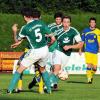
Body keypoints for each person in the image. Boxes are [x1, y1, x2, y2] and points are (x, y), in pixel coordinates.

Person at [7, 8, 55, 94]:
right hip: (45, 50)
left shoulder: (25, 27)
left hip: (35, 51)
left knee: (19, 70)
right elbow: (53, 38)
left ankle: (9, 90)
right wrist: (48, 45)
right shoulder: (41, 23)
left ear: (25, 17)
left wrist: (14, 31)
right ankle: (49, 90)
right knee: (43, 69)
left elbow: (17, 40)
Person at [50, 16, 83, 86]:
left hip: (67, 55)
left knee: (57, 71)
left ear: (70, 23)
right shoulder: (58, 31)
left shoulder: (74, 31)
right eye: (64, 22)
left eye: (68, 22)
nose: (66, 24)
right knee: (56, 69)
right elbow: (52, 38)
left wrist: (70, 46)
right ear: (62, 23)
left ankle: (53, 82)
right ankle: (48, 85)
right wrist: (48, 44)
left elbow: (80, 44)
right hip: (58, 51)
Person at [79, 17, 100, 84]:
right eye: (91, 22)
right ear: (89, 23)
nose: (92, 23)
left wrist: (99, 48)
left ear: (95, 23)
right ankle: (89, 79)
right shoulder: (85, 31)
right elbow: (82, 41)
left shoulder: (98, 31)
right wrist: (80, 49)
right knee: (89, 65)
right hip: (87, 51)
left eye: (93, 22)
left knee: (95, 68)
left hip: (95, 52)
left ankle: (90, 75)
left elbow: (99, 41)